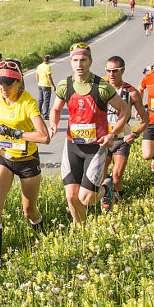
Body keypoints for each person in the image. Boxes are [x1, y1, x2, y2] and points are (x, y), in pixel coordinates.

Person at [49, 43, 130, 222]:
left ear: (90, 61)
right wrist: (53, 124)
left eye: (83, 60)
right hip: (72, 146)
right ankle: (82, 232)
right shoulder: (65, 85)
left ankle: (106, 188)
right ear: (71, 62)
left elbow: (124, 109)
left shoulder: (102, 87)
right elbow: (55, 109)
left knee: (86, 198)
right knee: (71, 196)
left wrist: (113, 134)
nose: (79, 64)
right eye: (76, 60)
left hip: (96, 147)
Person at [0, 59, 50, 268]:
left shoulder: (28, 103)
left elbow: (44, 137)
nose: (3, 89)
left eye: (8, 84)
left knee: (30, 210)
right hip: (4, 158)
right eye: (0, 83)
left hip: (27, 161)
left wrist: (18, 133)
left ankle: (41, 239)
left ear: (19, 82)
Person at [102, 56, 149, 199]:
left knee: (117, 177)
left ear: (122, 70)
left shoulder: (131, 92)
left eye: (115, 71)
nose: (111, 74)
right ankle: (108, 198)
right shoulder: (100, 88)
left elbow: (145, 119)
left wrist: (134, 134)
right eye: (108, 71)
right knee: (101, 177)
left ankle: (120, 198)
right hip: (104, 139)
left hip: (122, 139)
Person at [35, 55, 55, 120]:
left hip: (40, 84)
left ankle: (37, 113)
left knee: (40, 100)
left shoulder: (39, 66)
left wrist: (38, 82)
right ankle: (45, 115)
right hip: (46, 85)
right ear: (48, 60)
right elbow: (49, 77)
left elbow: (36, 75)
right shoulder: (48, 67)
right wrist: (53, 85)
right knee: (46, 100)